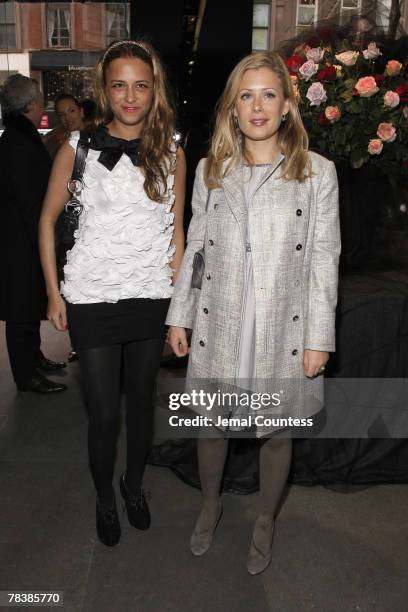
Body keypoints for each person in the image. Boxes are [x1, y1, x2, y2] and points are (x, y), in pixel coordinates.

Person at [167, 51, 340, 574]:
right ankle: (211, 504)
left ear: (287, 105)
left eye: (268, 94)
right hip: (223, 318)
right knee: (211, 425)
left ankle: (265, 517)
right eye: (246, 95)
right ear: (232, 108)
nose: (257, 105)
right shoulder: (211, 169)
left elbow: (324, 258)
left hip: (281, 323)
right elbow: (196, 247)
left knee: (277, 429)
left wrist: (319, 337)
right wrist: (181, 313)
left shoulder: (317, 173)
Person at [39, 40, 186, 546]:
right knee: (104, 413)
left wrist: (179, 309)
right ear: (106, 89)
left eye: (140, 85)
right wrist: (54, 294)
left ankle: (134, 486)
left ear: (154, 91)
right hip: (93, 296)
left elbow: (177, 235)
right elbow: (47, 220)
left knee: (142, 405)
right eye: (120, 84)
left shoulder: (172, 153)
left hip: (149, 294)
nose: (130, 96)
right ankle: (105, 498)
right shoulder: (76, 148)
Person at [0, 74, 67, 394]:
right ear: (29, 105)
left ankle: (34, 359)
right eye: (40, 100)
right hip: (20, 243)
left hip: (19, 239)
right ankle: (25, 376)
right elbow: (29, 201)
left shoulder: (18, 136)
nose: (42, 105)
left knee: (27, 304)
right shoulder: (18, 142)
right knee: (20, 310)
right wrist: (45, 241)